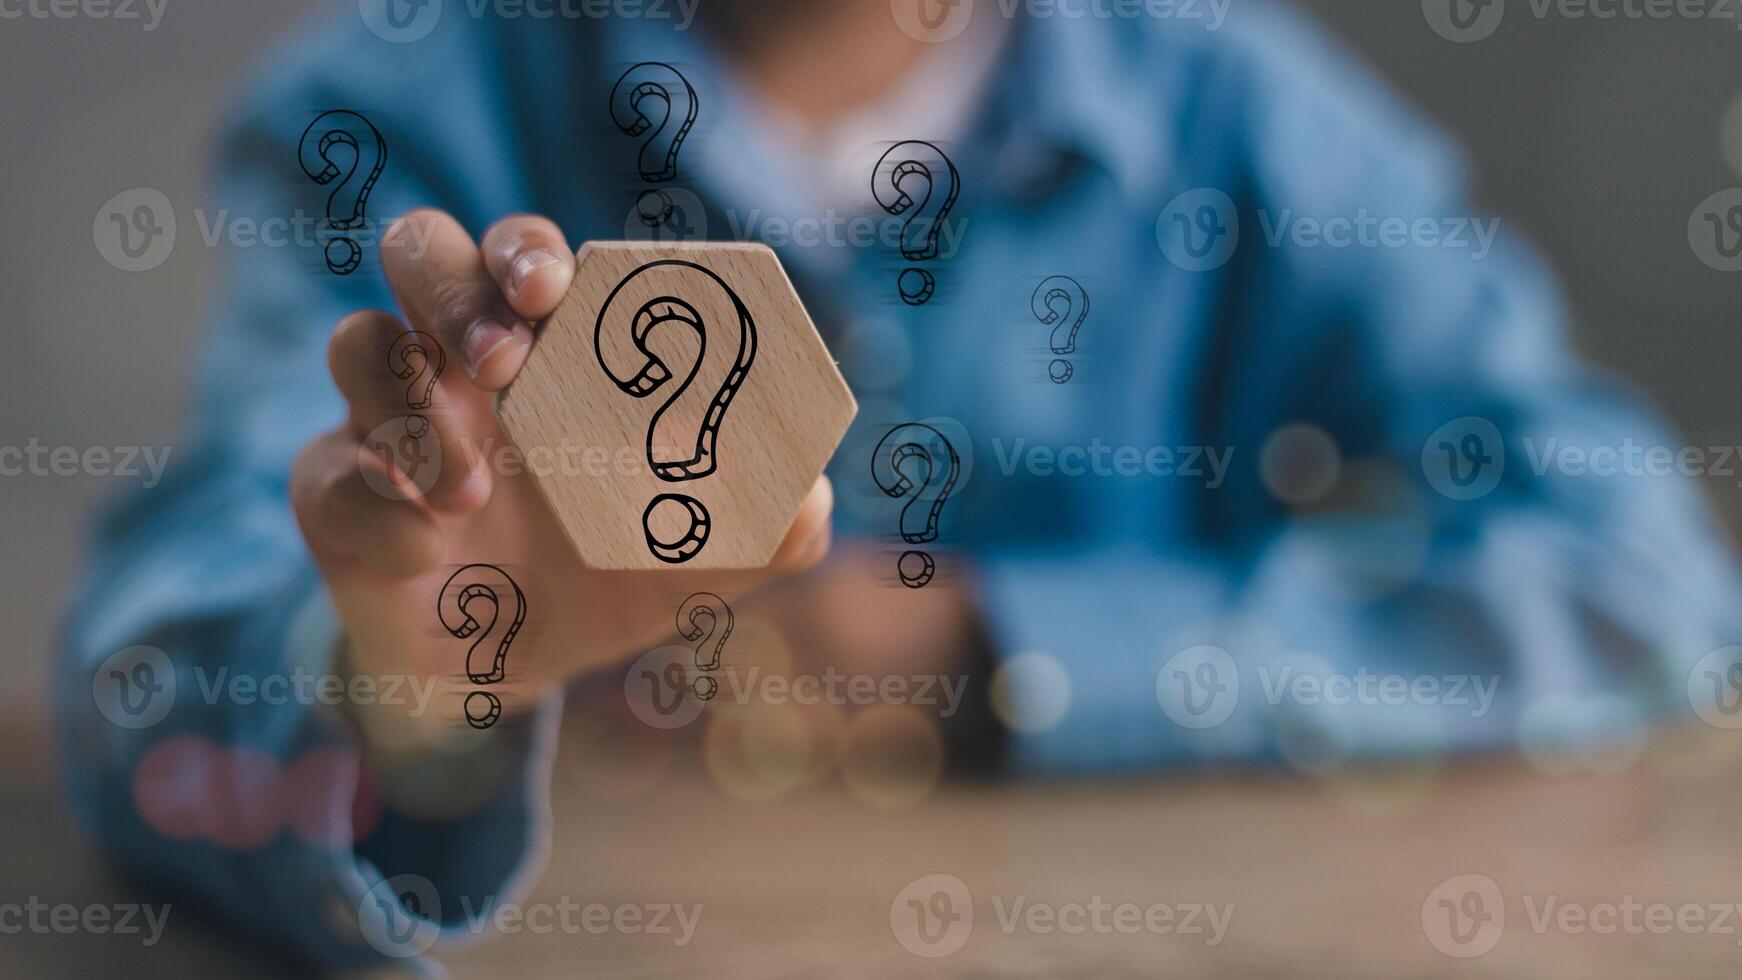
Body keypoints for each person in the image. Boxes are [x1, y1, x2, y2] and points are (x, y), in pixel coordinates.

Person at [58, 0, 1742, 968]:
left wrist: (1008, 650)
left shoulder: (1239, 115)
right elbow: (149, 665)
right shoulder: (400, 109)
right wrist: (402, 693)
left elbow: (1639, 569)